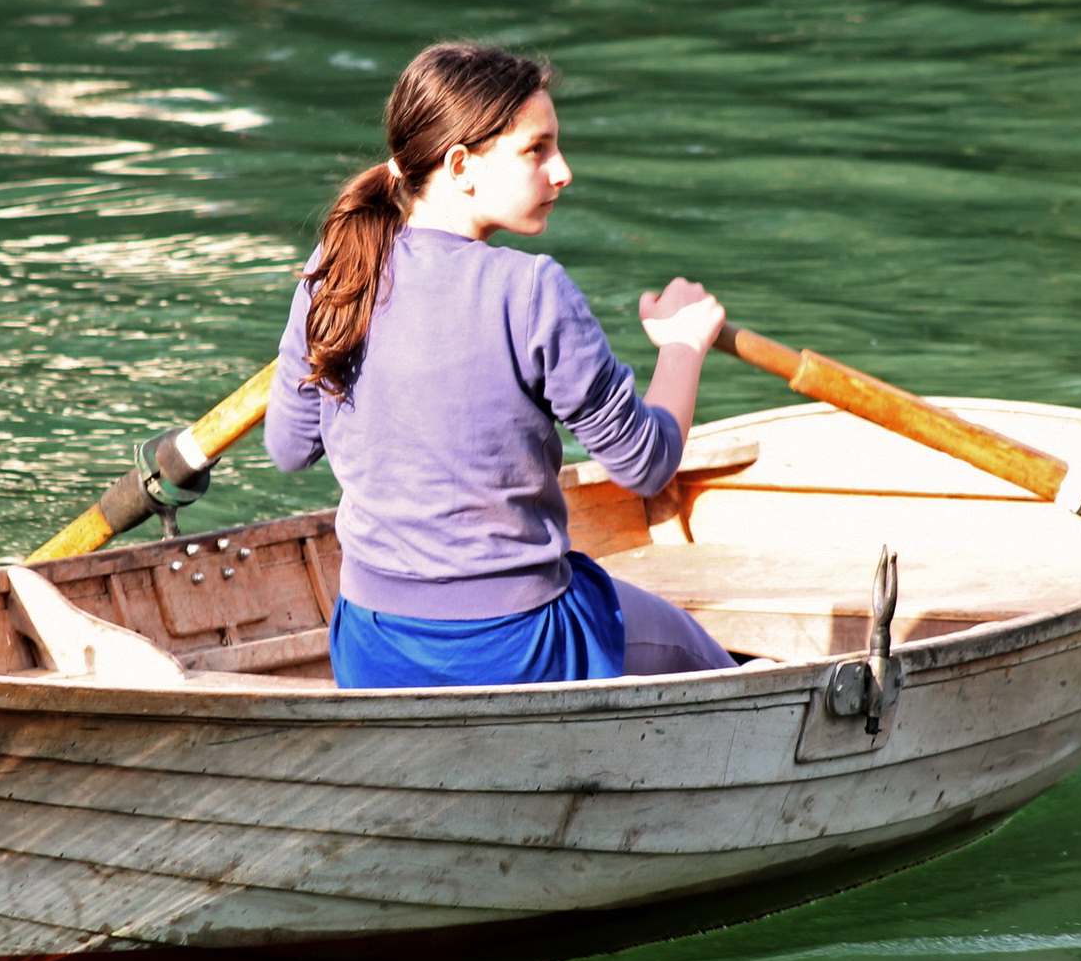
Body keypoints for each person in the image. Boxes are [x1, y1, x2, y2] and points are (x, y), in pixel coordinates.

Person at [265, 42, 738, 688]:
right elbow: (647, 465)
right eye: (536, 149)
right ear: (460, 164)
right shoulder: (531, 288)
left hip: (372, 644)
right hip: (519, 642)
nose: (563, 170)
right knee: (707, 666)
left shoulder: (334, 267)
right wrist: (683, 345)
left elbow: (290, 447)